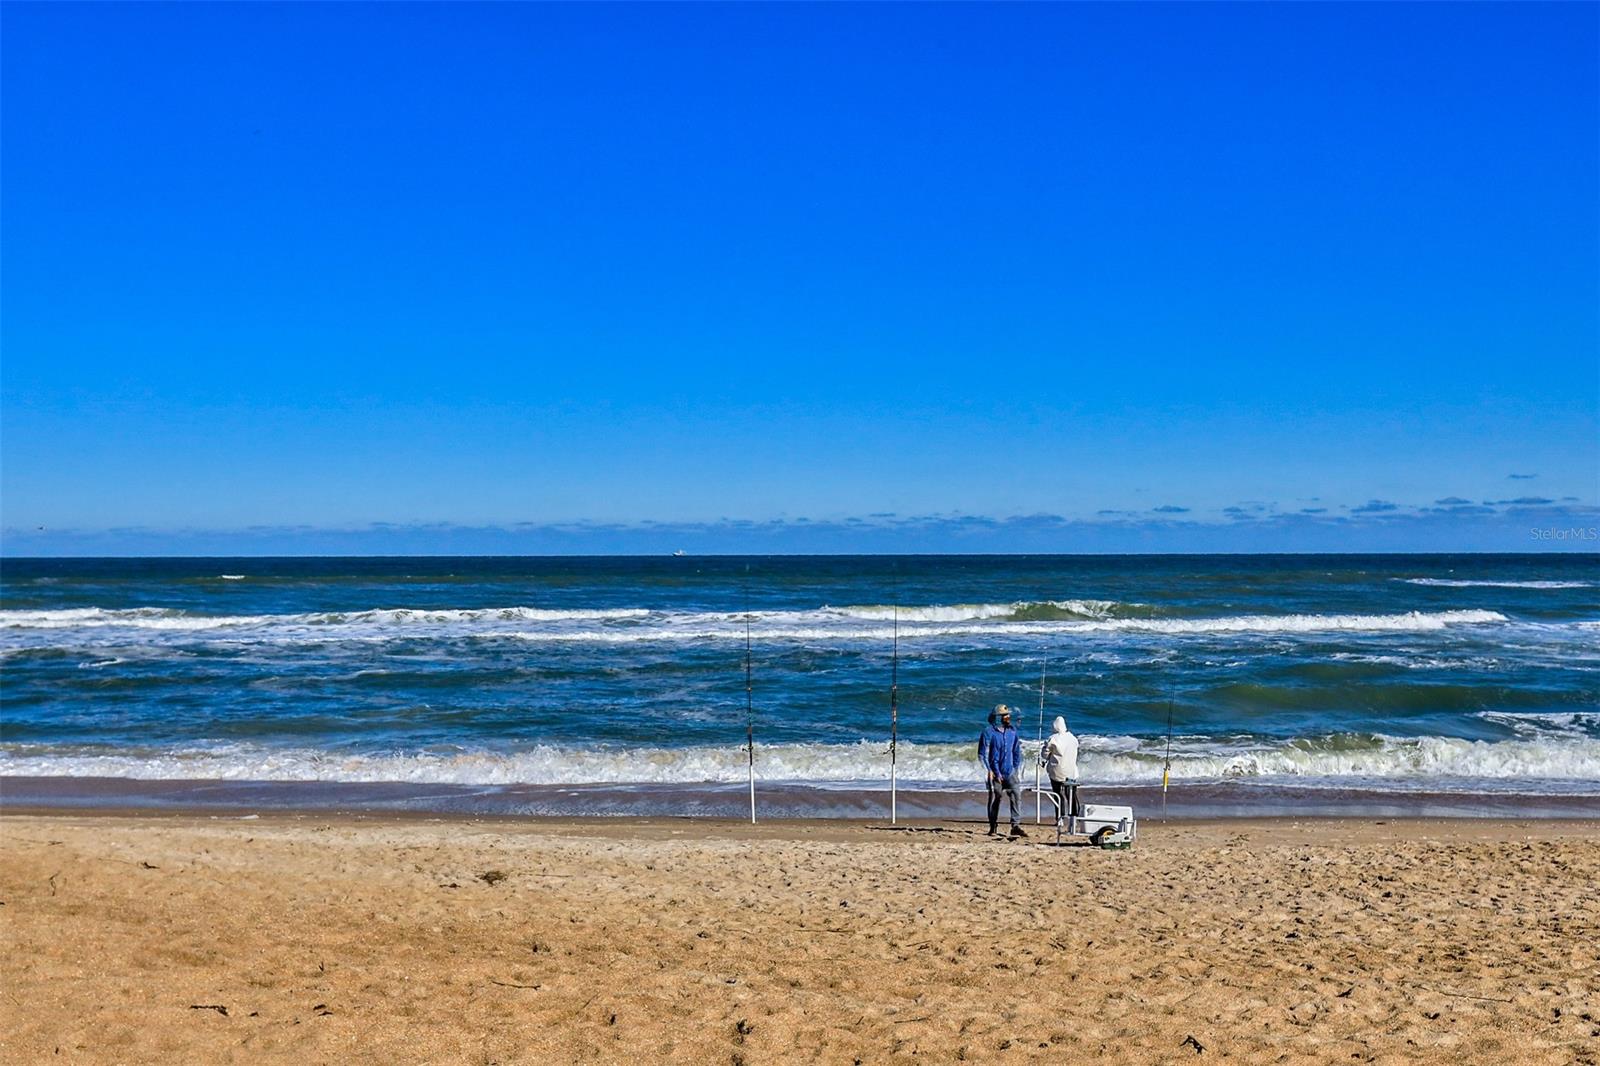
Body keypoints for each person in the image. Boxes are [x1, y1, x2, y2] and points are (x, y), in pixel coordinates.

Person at [978, 704, 1026, 838]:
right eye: (1005, 715)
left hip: (1010, 772)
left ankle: (1015, 825)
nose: (1008, 717)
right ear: (998, 717)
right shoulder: (988, 732)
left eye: (1008, 715)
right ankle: (993, 826)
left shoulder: (1012, 732)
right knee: (996, 799)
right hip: (994, 773)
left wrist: (1016, 769)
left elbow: (1016, 752)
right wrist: (990, 770)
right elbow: (982, 754)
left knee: (1016, 796)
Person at [1039, 715, 1080, 829]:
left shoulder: (1053, 739)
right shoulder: (1073, 738)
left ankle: (1060, 818)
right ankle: (1074, 818)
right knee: (1071, 795)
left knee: (1058, 795)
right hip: (1071, 772)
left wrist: (1044, 750)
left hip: (1057, 772)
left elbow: (1045, 754)